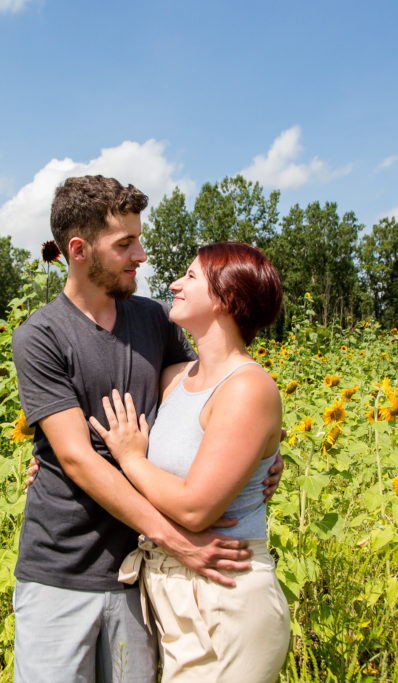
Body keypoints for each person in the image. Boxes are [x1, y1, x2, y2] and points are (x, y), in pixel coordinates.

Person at [10, 176, 283, 683]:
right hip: (62, 572)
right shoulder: (41, 336)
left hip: (139, 577)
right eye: (124, 244)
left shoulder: (157, 321)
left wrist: (266, 453)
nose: (141, 254)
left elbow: (209, 392)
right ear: (78, 250)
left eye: (138, 238)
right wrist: (177, 538)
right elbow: (76, 458)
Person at [89, 241, 290, 681]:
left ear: (226, 298)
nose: (175, 284)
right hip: (168, 595)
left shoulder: (248, 388)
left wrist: (131, 460)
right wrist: (43, 462)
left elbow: (196, 508)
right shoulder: (175, 379)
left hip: (225, 596)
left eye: (192, 277)